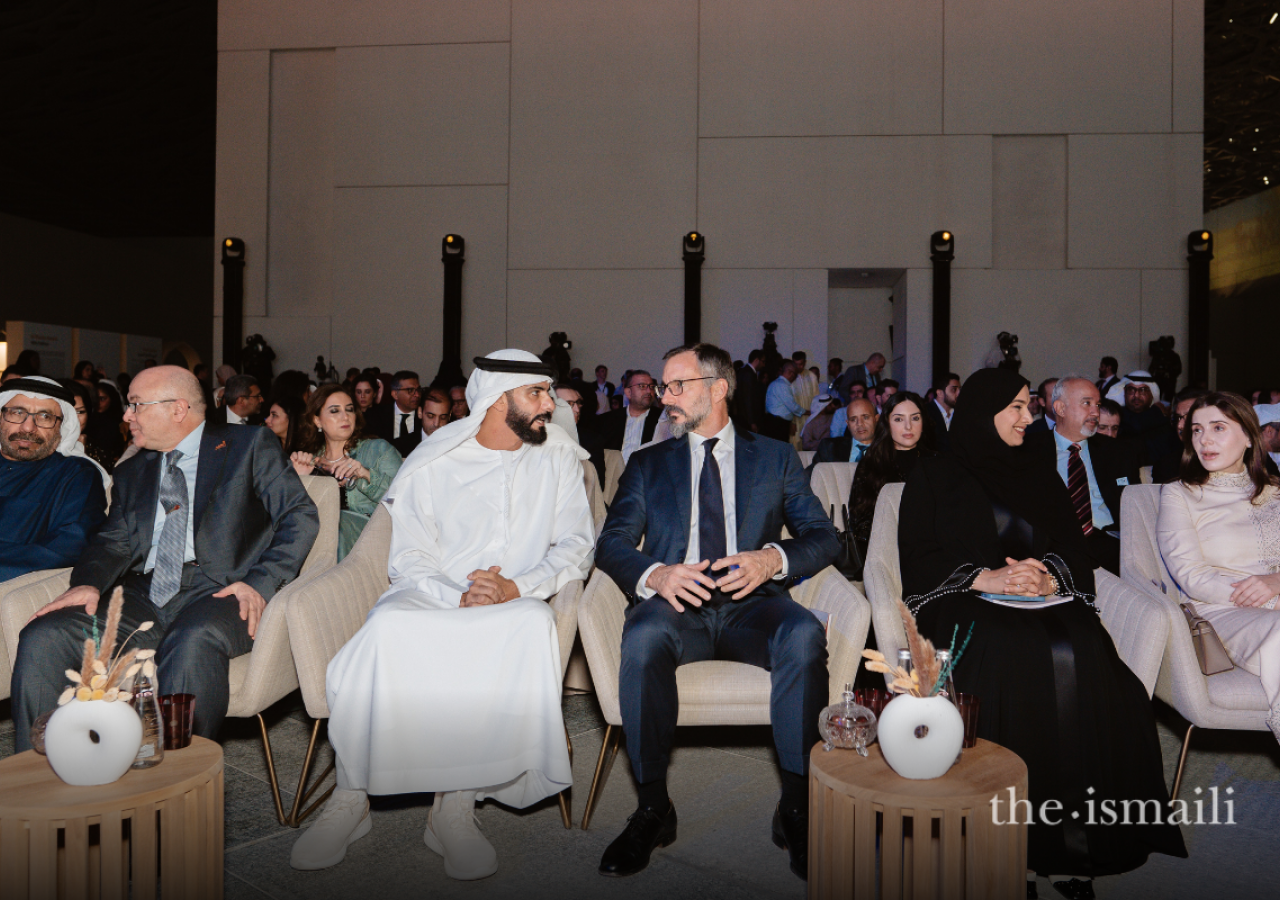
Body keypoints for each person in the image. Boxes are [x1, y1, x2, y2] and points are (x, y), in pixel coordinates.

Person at [291, 350, 594, 879]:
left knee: (527, 625)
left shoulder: (560, 459)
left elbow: (575, 545)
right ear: (499, 399)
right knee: (387, 627)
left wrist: (512, 586)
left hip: (517, 598)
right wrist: (455, 594)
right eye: (538, 393)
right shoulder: (435, 460)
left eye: (548, 393)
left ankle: (453, 806)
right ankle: (351, 794)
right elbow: (407, 555)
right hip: (431, 591)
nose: (550, 404)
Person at [897, 368, 1185, 896]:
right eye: (1015, 408)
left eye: (1029, 407)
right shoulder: (934, 473)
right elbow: (917, 556)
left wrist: (1047, 573)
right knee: (1010, 647)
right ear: (984, 411)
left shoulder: (1037, 468)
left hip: (1041, 592)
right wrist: (987, 576)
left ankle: (1077, 844)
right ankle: (1011, 851)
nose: (1027, 417)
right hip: (964, 598)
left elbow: (1074, 549)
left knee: (1081, 644)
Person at [594, 342, 838, 881]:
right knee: (642, 638)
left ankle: (795, 806)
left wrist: (771, 558)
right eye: (662, 387)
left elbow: (824, 538)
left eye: (677, 386)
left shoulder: (774, 456)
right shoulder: (647, 463)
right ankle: (654, 808)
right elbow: (610, 543)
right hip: (678, 606)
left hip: (754, 608)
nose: (665, 398)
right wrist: (655, 574)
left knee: (801, 635)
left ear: (718, 389)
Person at [11, 366, 319, 751]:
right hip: (146, 591)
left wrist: (260, 582)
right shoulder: (132, 471)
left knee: (191, 641)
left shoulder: (247, 444)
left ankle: (175, 784)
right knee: (43, 636)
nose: (126, 415)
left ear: (178, 409)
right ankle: (43, 776)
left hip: (221, 589)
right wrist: (87, 583)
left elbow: (299, 516)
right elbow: (112, 544)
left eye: (136, 405)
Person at [1158, 392, 1280, 744]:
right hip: (1223, 611)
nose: (1204, 440)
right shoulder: (1180, 495)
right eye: (1196, 430)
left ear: (1248, 437)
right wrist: (1269, 599)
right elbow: (1191, 576)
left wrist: (1275, 582)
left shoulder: (1275, 493)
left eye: (1218, 428)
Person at [1025, 377, 1142, 575]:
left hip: (1108, 542)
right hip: (1052, 544)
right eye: (1086, 403)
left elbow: (1136, 507)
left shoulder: (1118, 452)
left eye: (1097, 404)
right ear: (1060, 409)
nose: (1095, 412)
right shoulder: (1028, 450)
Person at [0, 377, 109, 582]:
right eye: (17, 413)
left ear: (62, 427)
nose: (28, 427)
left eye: (44, 417)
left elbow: (71, 544)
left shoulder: (76, 474)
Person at [290, 385, 401, 562]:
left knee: (336, 523)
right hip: (322, 539)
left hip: (372, 537)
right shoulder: (311, 460)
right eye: (335, 411)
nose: (345, 416)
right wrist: (301, 478)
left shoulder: (378, 449)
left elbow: (404, 500)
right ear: (317, 420)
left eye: (349, 410)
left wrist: (365, 474)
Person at [846, 391, 935, 564]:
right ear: (887, 423)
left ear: (923, 422)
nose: (908, 427)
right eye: (899, 419)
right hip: (886, 557)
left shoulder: (938, 463)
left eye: (915, 418)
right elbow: (861, 525)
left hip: (934, 554)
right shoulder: (871, 464)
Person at [600, 371, 662, 463]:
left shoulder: (663, 420)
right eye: (642, 386)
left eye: (651, 387)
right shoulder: (607, 420)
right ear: (628, 392)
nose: (649, 391)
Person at [1152, 387, 1210, 483]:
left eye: (1189, 417)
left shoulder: (1228, 461)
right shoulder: (1167, 465)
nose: (1180, 425)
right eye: (1178, 418)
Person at [365, 370, 424, 458]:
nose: (417, 395)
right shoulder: (376, 415)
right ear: (395, 394)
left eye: (418, 390)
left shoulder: (424, 417)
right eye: (410, 390)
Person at [557, 384, 606, 483]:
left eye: (578, 403)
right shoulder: (536, 437)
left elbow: (596, 483)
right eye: (569, 404)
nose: (577, 410)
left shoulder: (591, 441)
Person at [814, 397, 877, 464]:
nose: (860, 424)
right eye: (853, 419)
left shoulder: (887, 449)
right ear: (848, 424)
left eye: (865, 417)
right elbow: (810, 473)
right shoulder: (829, 447)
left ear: (876, 419)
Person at [764, 360, 806, 442]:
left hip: (773, 421)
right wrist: (806, 411)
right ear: (791, 373)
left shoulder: (775, 383)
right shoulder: (782, 385)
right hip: (777, 424)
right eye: (795, 375)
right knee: (780, 450)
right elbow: (792, 406)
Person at [923, 372, 960, 451]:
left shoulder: (960, 413)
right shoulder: (925, 412)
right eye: (954, 390)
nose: (958, 393)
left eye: (959, 389)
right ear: (939, 393)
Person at [732, 350, 765, 433]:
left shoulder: (746, 371)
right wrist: (752, 422)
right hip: (747, 418)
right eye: (763, 361)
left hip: (744, 417)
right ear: (757, 360)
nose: (764, 365)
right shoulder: (749, 374)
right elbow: (748, 398)